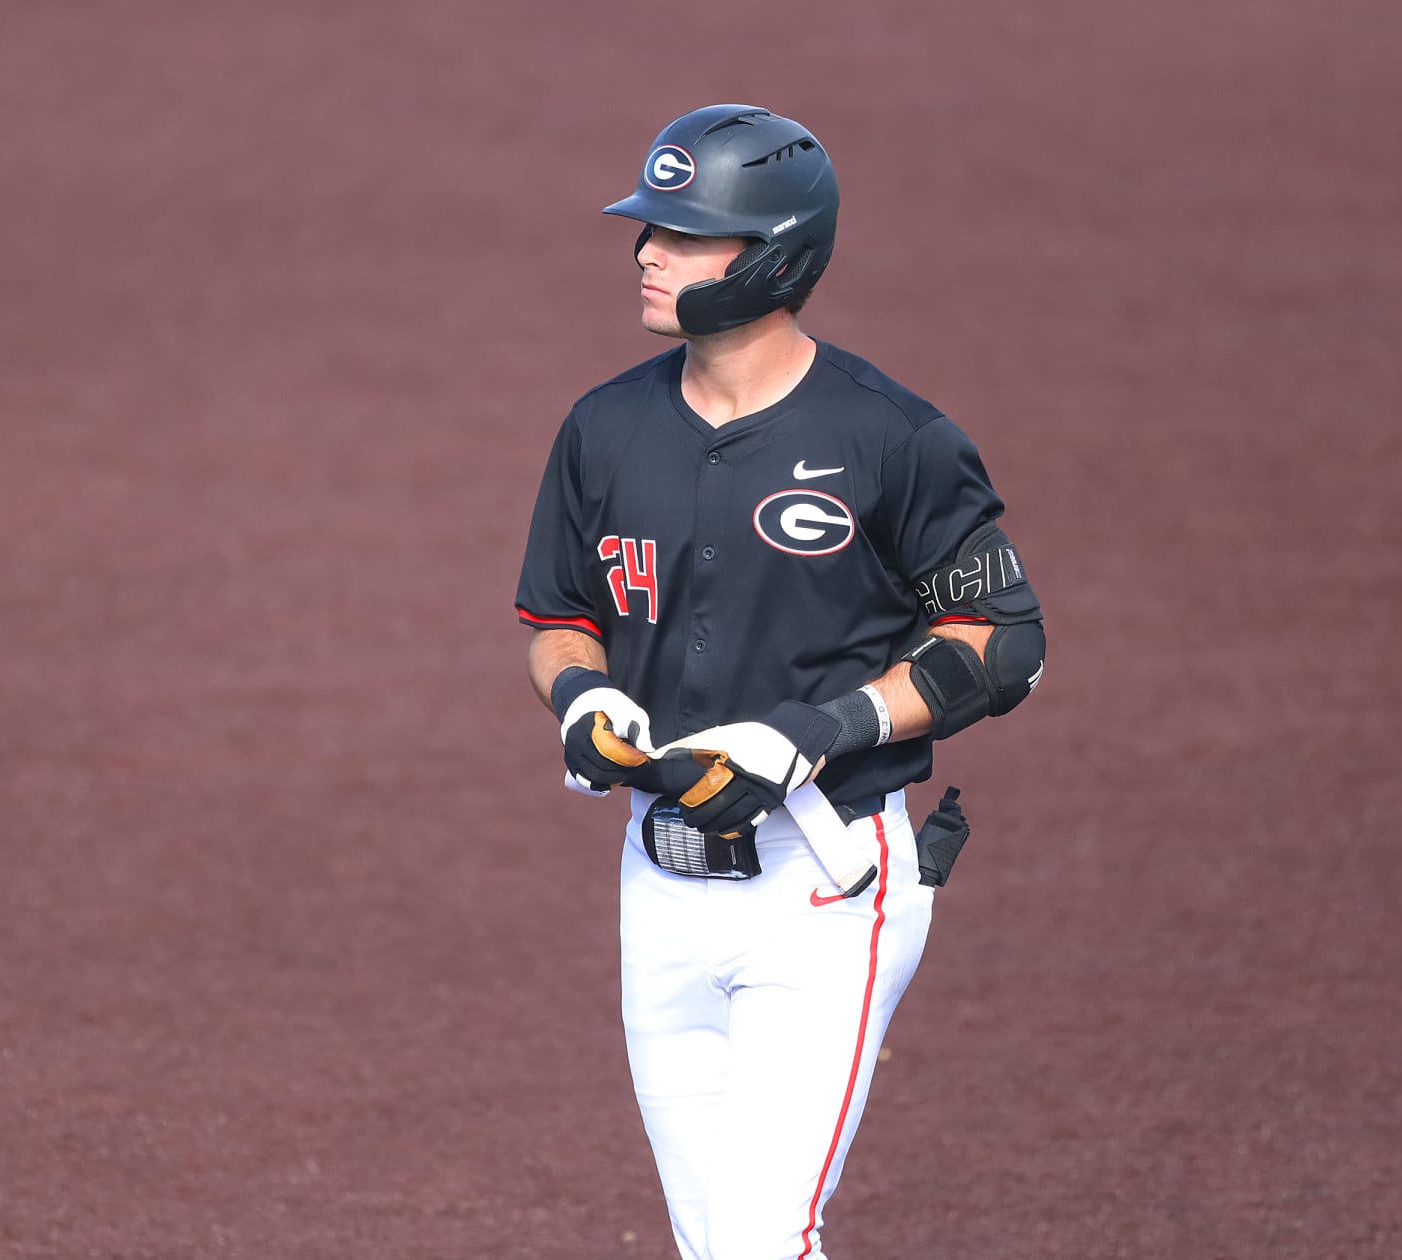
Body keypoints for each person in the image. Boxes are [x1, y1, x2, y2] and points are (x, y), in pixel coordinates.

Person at [514, 103, 1045, 1260]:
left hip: (823, 881)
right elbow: (559, 619)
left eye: (684, 234)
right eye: (649, 228)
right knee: (716, 1245)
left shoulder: (891, 438)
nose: (647, 252)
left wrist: (818, 729)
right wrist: (581, 699)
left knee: (761, 1240)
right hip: (657, 884)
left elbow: (1000, 640)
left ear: (777, 255)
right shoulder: (602, 429)